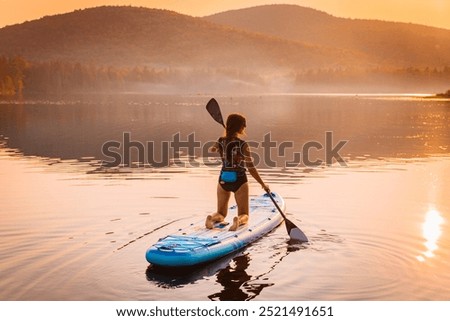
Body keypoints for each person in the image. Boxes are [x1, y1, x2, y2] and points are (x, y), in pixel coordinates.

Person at [205, 113, 269, 231]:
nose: (244, 128)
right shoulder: (243, 145)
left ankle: (211, 218)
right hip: (239, 180)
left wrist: (224, 137)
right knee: (244, 214)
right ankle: (238, 220)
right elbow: (251, 167)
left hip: (223, 179)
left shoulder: (220, 141)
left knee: (221, 213)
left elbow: (212, 149)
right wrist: (262, 184)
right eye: (244, 125)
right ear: (240, 127)